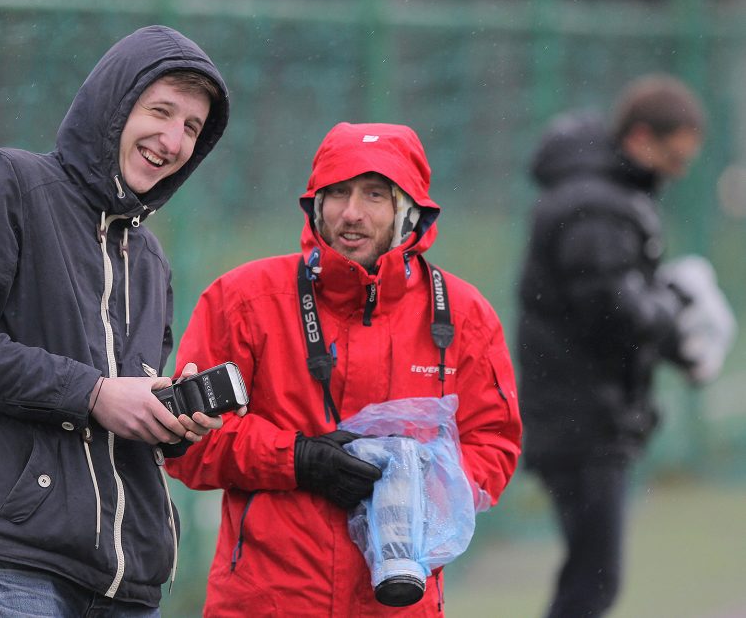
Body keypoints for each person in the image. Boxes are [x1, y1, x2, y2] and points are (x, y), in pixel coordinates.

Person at [0, 25, 235, 617]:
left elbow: (120, 414)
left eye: (191, 127)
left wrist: (169, 423)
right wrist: (95, 393)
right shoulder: (10, 180)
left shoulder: (152, 259)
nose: (173, 139)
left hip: (130, 579)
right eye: (160, 111)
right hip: (18, 559)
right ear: (112, 108)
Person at [165, 122, 523, 616]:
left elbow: (494, 445)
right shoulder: (243, 301)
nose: (351, 214)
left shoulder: (464, 315)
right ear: (316, 205)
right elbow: (186, 444)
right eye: (336, 193)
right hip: (265, 602)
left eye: (375, 195)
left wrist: (416, 478)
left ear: (409, 211)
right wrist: (297, 460)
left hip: (399, 602)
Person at [516, 74, 706, 618]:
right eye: (673, 156)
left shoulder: (603, 197)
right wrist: (676, 316)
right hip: (580, 419)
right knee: (592, 582)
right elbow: (609, 308)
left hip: (588, 414)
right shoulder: (594, 206)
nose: (677, 171)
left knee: (591, 576)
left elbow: (614, 296)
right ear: (642, 138)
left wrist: (665, 313)